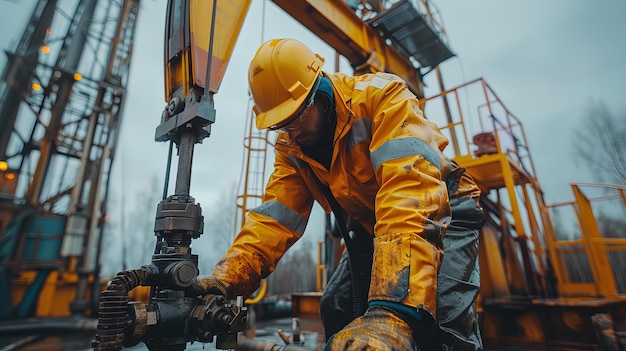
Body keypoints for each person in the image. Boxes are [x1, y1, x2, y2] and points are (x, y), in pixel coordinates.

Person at [192, 38, 485, 350]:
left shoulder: (382, 97)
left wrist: (391, 312)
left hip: (442, 211)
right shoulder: (292, 146)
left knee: (444, 321)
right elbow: (275, 220)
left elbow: (410, 194)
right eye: (281, 125)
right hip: (376, 224)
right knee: (337, 305)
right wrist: (227, 278)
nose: (292, 133)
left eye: (297, 117)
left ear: (319, 93)